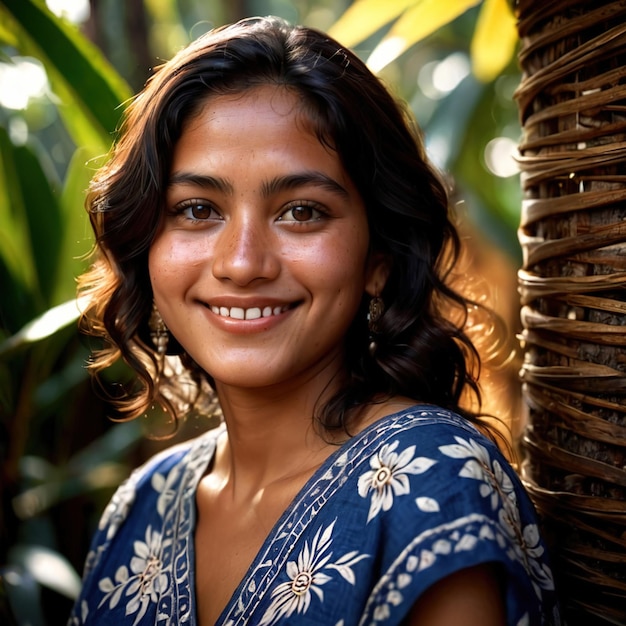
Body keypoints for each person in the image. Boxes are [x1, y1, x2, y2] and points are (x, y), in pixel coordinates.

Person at [68, 16, 560, 626]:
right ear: (145, 242)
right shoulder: (138, 508)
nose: (243, 263)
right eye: (197, 209)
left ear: (378, 258)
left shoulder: (432, 482)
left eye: (302, 211)